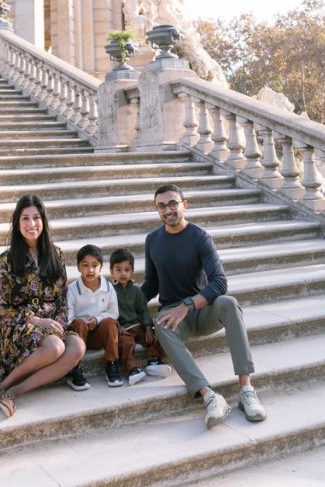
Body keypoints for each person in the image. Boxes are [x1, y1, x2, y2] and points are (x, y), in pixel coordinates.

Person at [142, 184, 266, 430]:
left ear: (184, 205)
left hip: (202, 308)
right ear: (157, 210)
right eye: (161, 206)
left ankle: (246, 389)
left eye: (173, 203)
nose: (168, 210)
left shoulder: (200, 237)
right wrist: (121, 300)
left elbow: (220, 283)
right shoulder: (152, 240)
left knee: (229, 303)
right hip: (176, 318)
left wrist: (188, 305)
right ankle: (209, 395)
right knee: (160, 322)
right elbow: (151, 285)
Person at [0, 194, 84, 418]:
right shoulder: (7, 260)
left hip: (52, 324)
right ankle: (2, 386)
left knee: (77, 348)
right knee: (54, 348)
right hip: (20, 326)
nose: (31, 224)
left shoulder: (55, 254)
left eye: (36, 218)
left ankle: (12, 392)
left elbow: (62, 296)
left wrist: (59, 322)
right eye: (25, 218)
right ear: (17, 222)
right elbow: (0, 307)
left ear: (43, 221)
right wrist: (35, 320)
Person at [109, 247, 172, 386]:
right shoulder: (110, 292)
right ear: (111, 272)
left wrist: (149, 327)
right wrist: (117, 326)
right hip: (123, 329)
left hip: (138, 326)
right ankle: (133, 369)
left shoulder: (136, 291)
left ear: (132, 272)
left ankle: (154, 361)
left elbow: (143, 310)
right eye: (118, 270)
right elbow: (108, 312)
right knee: (126, 344)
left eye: (127, 270)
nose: (123, 273)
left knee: (157, 336)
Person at [66, 244, 123, 390]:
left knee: (110, 323)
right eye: (85, 265)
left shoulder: (108, 288)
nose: (90, 270)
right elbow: (68, 317)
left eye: (94, 265)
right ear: (78, 267)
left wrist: (97, 319)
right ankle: (74, 369)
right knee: (78, 322)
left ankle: (111, 364)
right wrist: (85, 322)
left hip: (100, 335)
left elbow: (114, 312)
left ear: (101, 267)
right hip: (79, 335)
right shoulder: (72, 290)